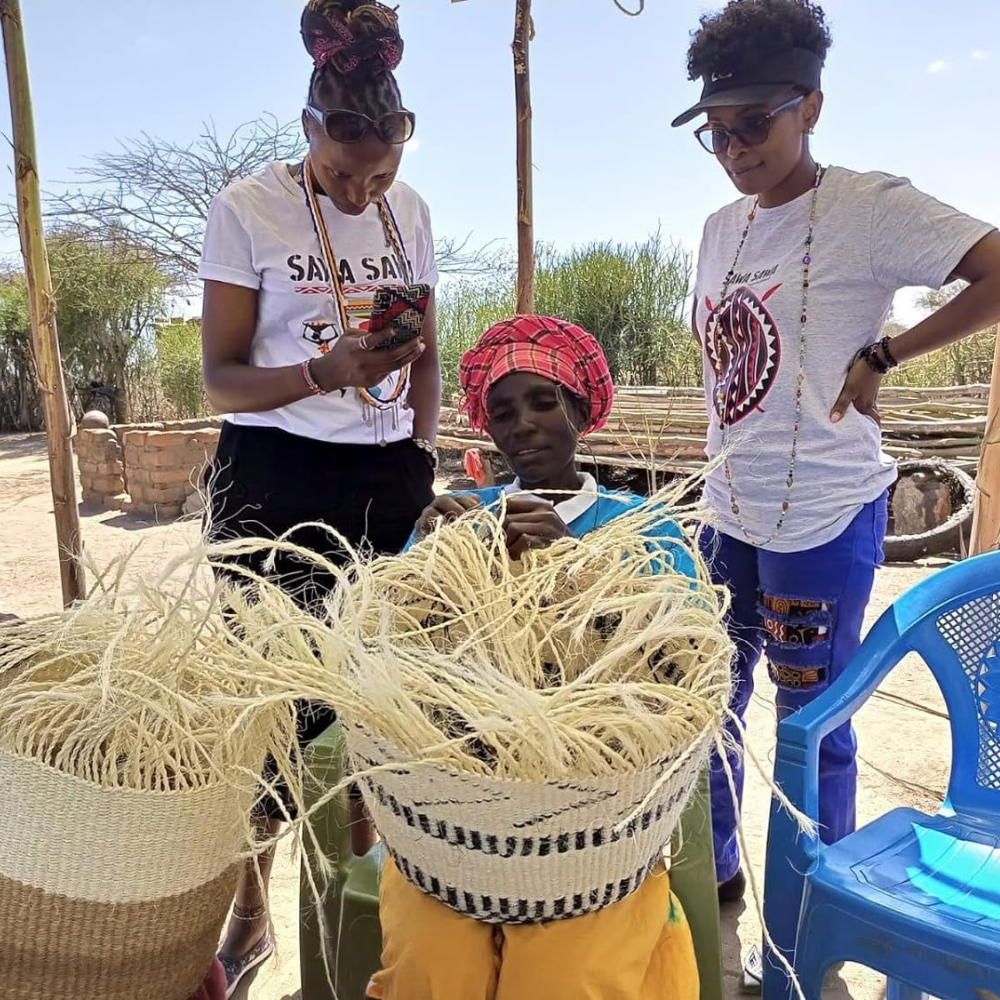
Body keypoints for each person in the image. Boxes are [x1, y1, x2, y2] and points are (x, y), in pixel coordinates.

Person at [671, 0, 1000, 904]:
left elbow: (996, 270)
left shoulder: (865, 208)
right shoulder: (717, 232)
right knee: (707, 705)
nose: (735, 147)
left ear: (810, 105)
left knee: (812, 720)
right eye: (718, 131)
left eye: (755, 124)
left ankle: (811, 898)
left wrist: (890, 352)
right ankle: (725, 883)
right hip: (726, 514)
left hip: (822, 515)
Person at [198, 1, 440, 992]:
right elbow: (219, 379)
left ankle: (353, 903)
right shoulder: (246, 208)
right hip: (274, 476)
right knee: (272, 713)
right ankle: (253, 908)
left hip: (384, 479)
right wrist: (323, 374)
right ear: (306, 133)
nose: (361, 189)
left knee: (368, 702)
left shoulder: (409, 211)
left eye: (378, 172)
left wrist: (420, 449)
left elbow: (423, 343)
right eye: (344, 172)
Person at [365, 315, 699, 1000]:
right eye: (503, 412)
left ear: (580, 409)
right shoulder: (463, 514)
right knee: (432, 956)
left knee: (567, 971)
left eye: (544, 402)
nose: (524, 424)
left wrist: (573, 568)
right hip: (456, 818)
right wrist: (428, 560)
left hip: (594, 822)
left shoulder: (640, 524)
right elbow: (388, 642)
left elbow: (679, 655)